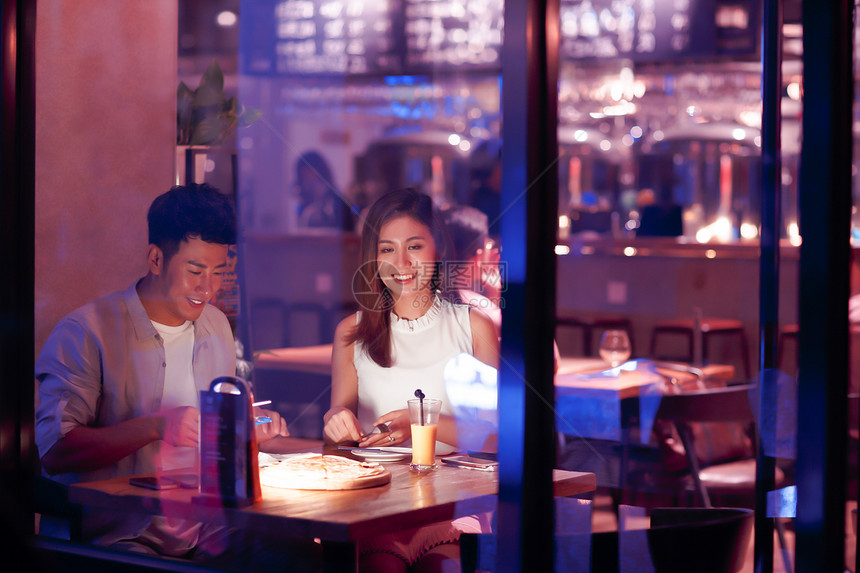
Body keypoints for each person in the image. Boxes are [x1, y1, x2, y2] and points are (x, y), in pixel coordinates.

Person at [34, 184, 315, 568]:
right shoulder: (86, 332)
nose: (209, 289)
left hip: (208, 527)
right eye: (195, 270)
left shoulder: (216, 326)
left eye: (219, 272)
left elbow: (217, 445)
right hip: (117, 534)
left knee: (306, 555)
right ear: (155, 259)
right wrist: (157, 426)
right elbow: (55, 452)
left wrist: (245, 432)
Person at [323, 188, 500, 572]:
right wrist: (336, 420)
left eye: (414, 246)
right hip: (377, 505)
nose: (401, 262)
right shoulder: (350, 332)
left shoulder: (473, 326)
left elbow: (498, 437)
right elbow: (337, 441)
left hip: (452, 506)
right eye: (387, 249)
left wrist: (422, 427)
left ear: (437, 250)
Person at [293, 150, 355, 231]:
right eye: (304, 176)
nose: (309, 180)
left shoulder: (339, 203)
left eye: (311, 174)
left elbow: (348, 233)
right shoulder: (303, 206)